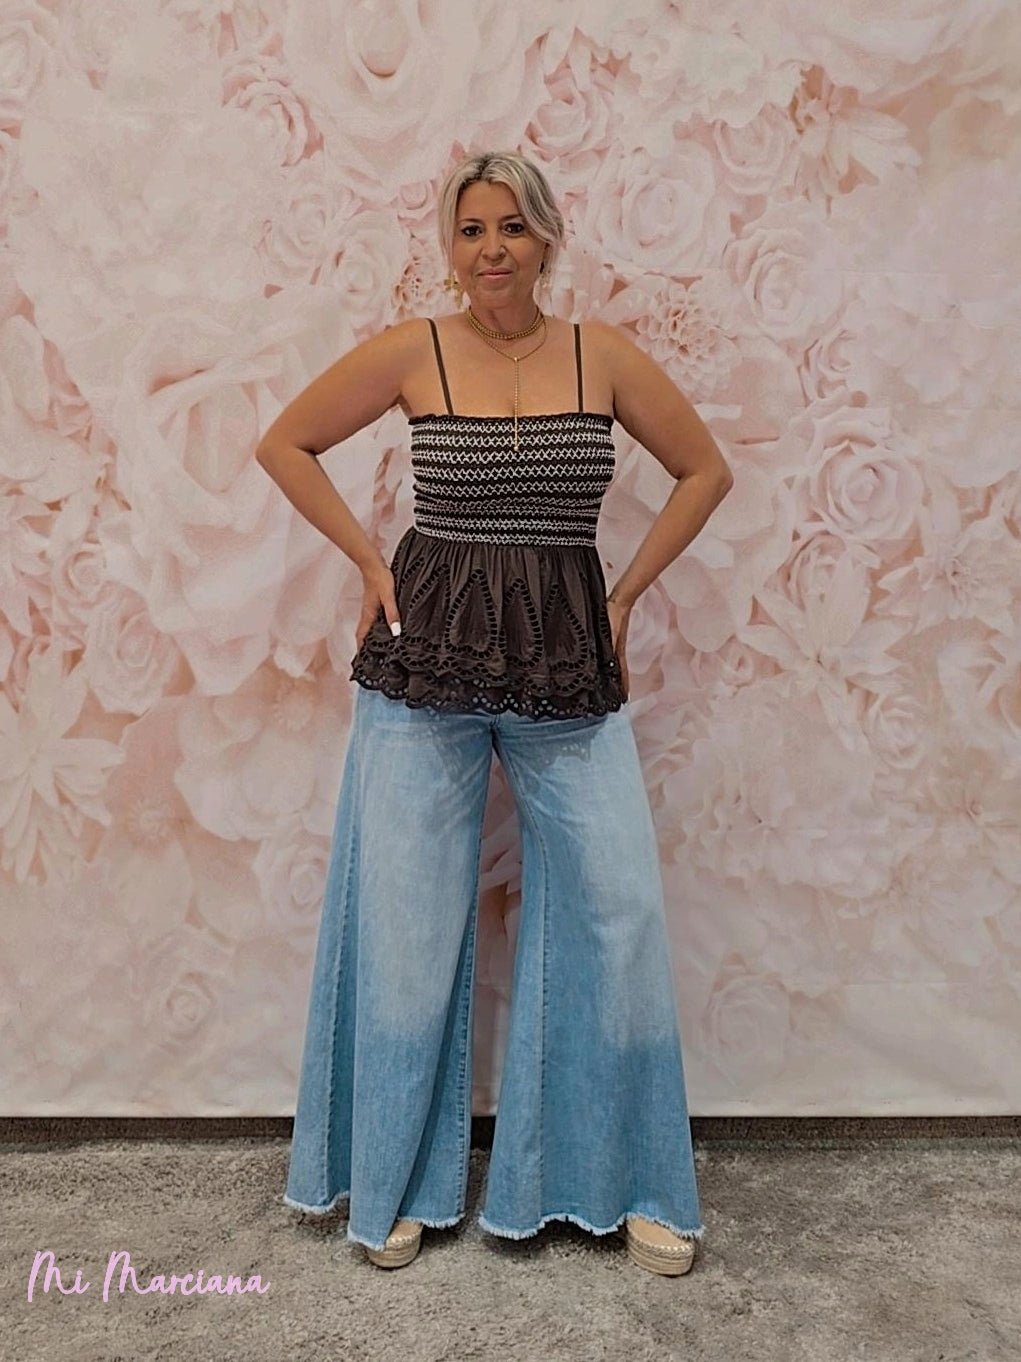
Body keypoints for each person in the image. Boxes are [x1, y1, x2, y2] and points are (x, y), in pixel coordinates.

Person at [257, 149, 733, 1276]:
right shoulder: (413, 350)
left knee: (618, 906)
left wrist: (625, 595)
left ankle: (626, 1183)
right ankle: (394, 1178)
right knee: (407, 922)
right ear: (449, 247)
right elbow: (285, 443)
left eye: (511, 227)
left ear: (547, 237)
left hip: (565, 654)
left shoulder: (600, 355)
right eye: (471, 230)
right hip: (426, 658)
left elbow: (705, 471)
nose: (492, 250)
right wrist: (368, 560)